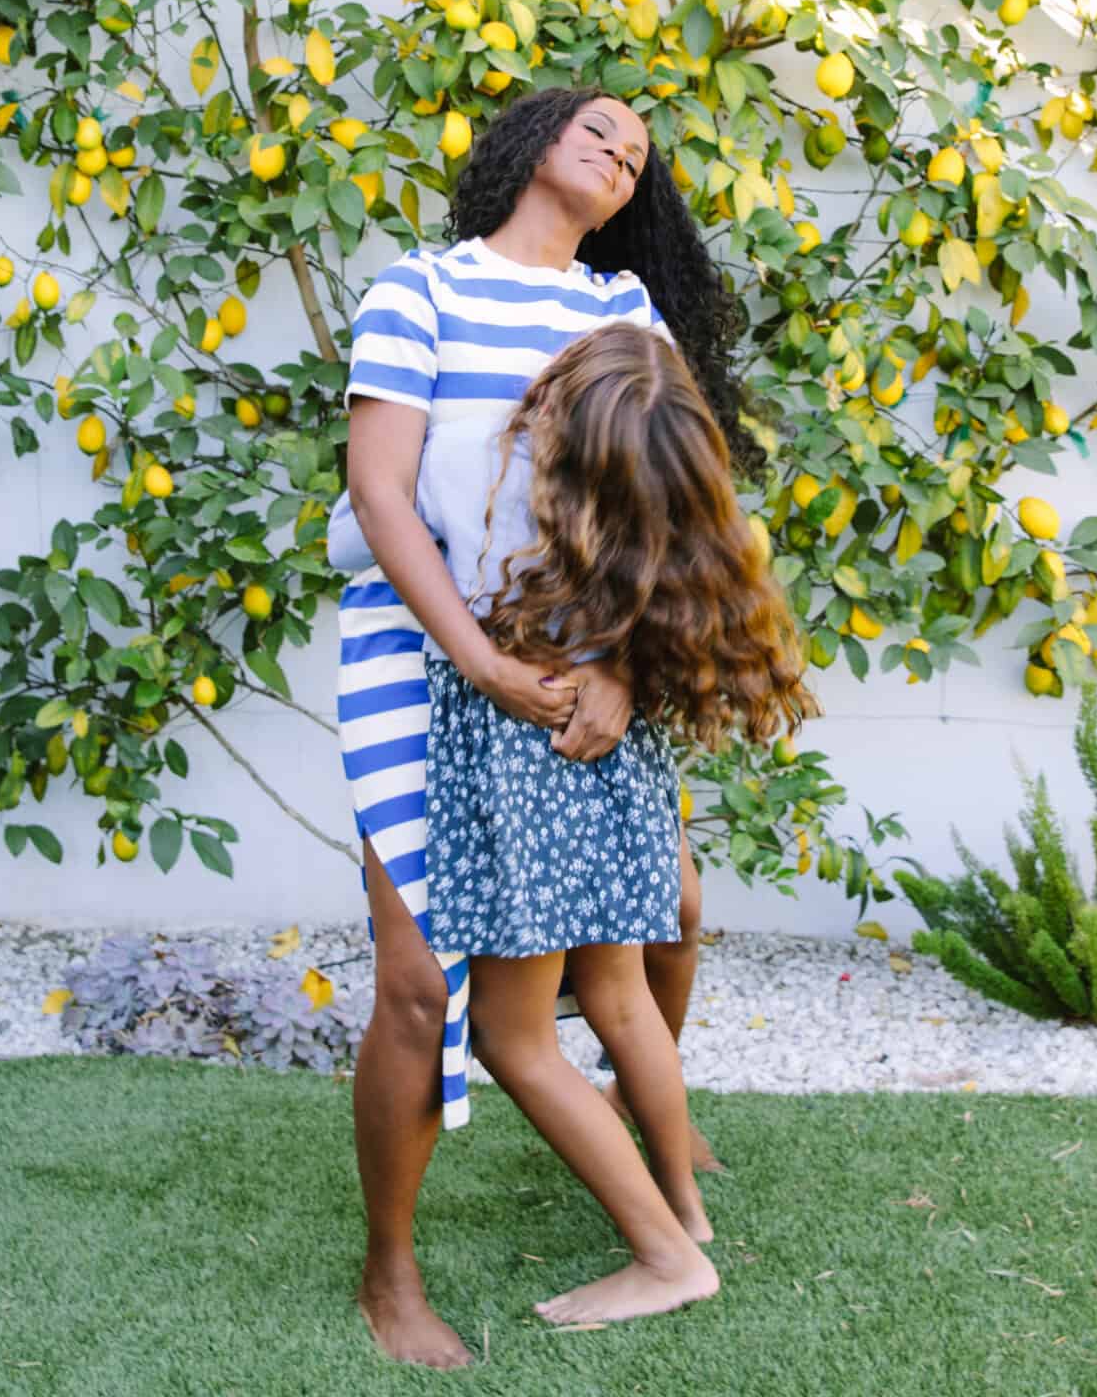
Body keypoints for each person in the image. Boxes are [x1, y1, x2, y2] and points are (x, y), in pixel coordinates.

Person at [333, 87, 760, 1367]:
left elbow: (667, 501)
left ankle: (657, 1180)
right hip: (414, 666)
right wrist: (478, 662)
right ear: (531, 144)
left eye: (638, 154)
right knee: (420, 988)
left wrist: (622, 669)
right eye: (600, 128)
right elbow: (381, 494)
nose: (623, 150)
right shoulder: (419, 291)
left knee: (650, 922)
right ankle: (391, 1274)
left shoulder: (621, 310)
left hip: (578, 674)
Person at [428, 320, 815, 1325]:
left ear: (555, 400)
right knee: (623, 999)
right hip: (620, 771)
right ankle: (684, 1207)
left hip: (528, 769)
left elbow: (364, 531)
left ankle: (665, 1258)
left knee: (513, 1038)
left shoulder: (483, 475)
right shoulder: (650, 528)